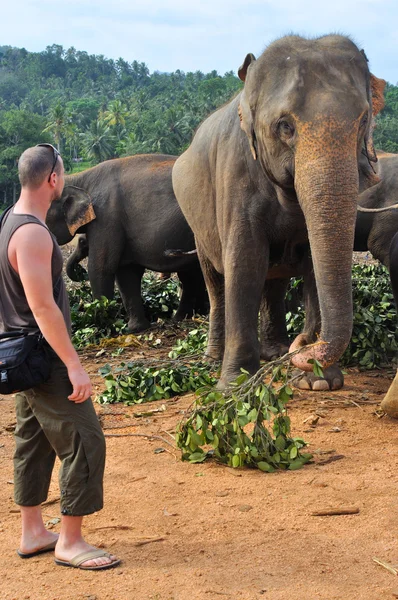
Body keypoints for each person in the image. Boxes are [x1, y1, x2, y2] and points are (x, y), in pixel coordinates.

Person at [0, 144, 120, 570]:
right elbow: (43, 307)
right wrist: (72, 363)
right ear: (52, 180)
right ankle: (70, 542)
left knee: (33, 441)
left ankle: (33, 532)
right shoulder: (32, 233)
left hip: (20, 357)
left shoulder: (7, 222)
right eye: (63, 173)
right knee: (86, 441)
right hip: (43, 356)